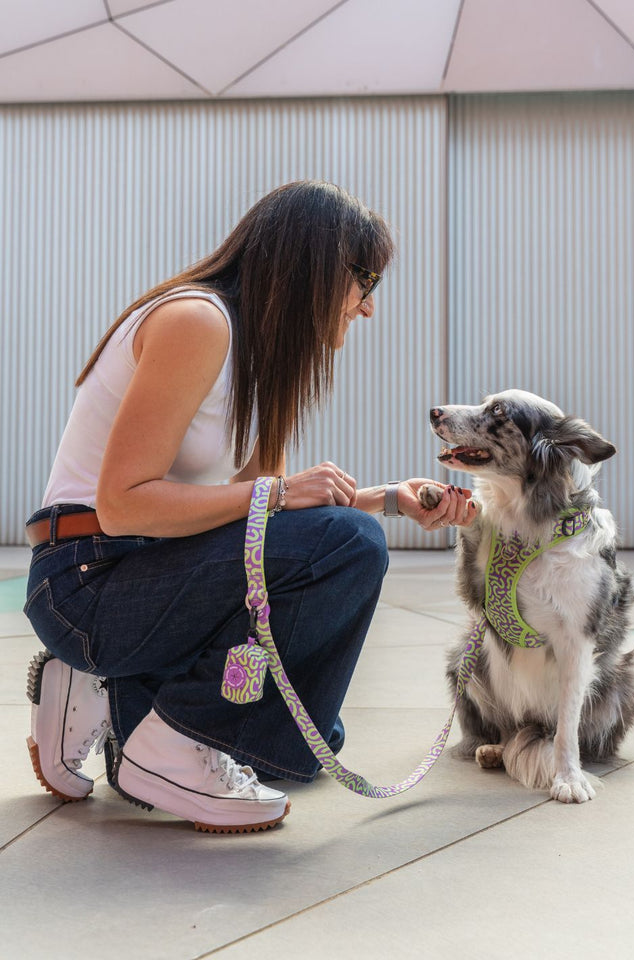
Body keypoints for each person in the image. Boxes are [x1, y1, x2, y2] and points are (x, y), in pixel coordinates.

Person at [23, 180, 475, 834]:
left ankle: (115, 694)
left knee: (300, 745)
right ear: (314, 264)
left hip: (151, 580)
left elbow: (265, 523)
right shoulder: (196, 321)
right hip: (87, 582)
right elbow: (122, 505)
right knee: (348, 549)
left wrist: (391, 500)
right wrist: (285, 494)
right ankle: (167, 741)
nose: (368, 307)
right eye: (366, 281)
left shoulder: (261, 363)